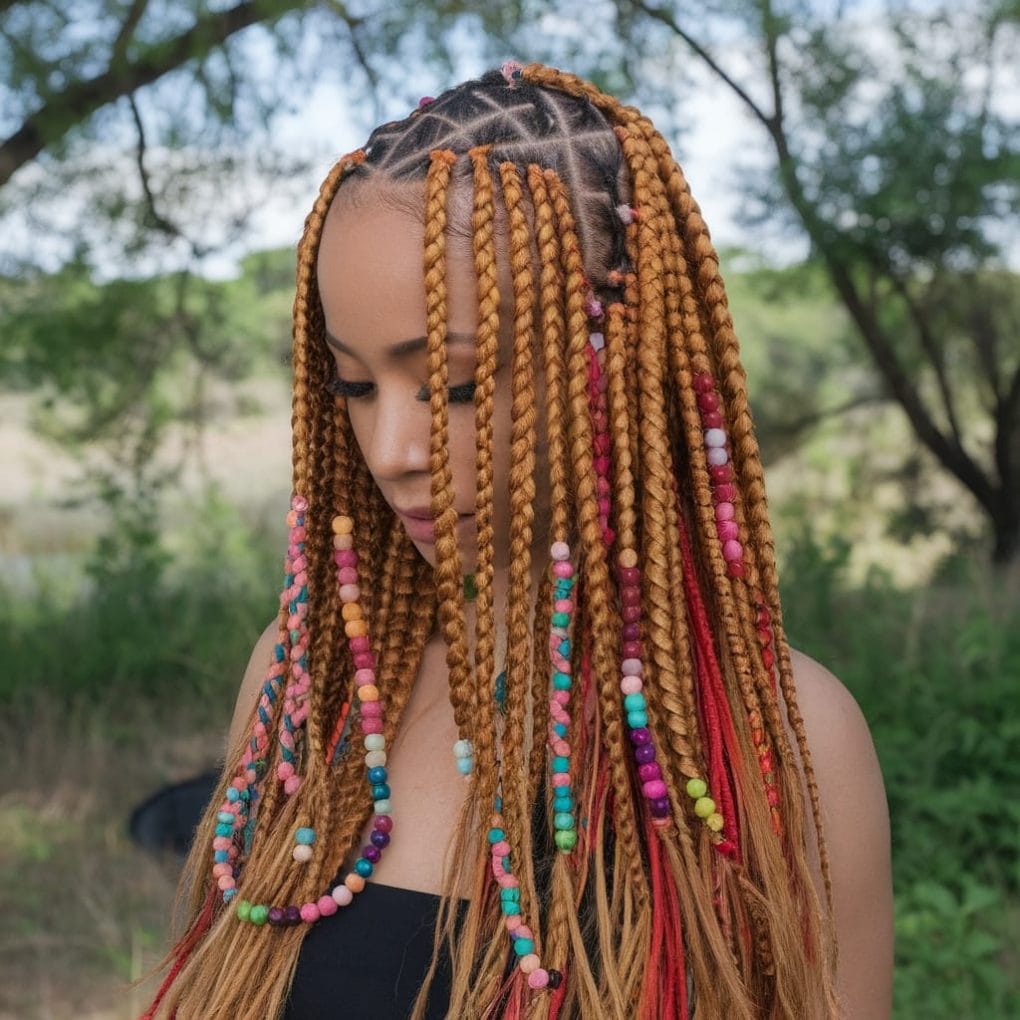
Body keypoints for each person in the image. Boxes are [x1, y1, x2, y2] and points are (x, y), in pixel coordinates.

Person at [144, 63, 893, 1019]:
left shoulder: (782, 743)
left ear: (612, 360)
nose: (391, 451)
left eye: (451, 386)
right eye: (354, 386)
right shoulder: (307, 686)